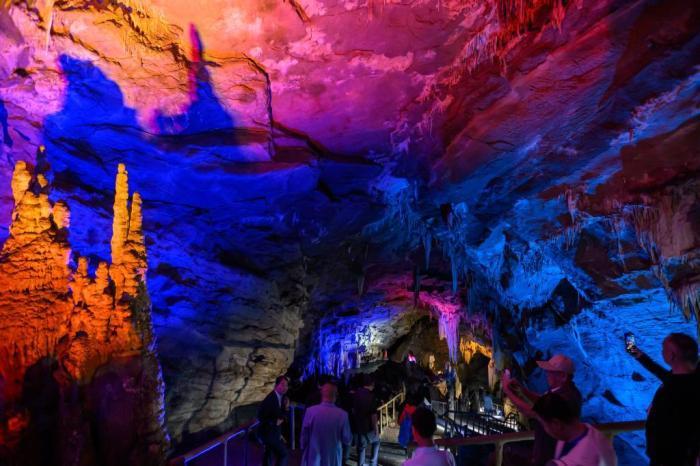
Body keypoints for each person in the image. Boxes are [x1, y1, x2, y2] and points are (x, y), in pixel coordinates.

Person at [627, 332, 700, 466]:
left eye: (664, 349)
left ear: (672, 355)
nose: (661, 352)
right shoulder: (684, 379)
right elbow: (656, 370)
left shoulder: (680, 388)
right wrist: (634, 351)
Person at [502, 354, 582, 466]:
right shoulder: (564, 390)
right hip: (550, 450)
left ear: (563, 376)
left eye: (551, 372)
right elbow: (543, 401)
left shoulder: (565, 398)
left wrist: (507, 390)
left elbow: (530, 412)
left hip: (552, 454)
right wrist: (523, 390)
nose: (547, 374)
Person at [533, 392, 617, 466]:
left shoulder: (587, 455)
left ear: (556, 424)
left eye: (544, 424)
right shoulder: (587, 433)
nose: (545, 429)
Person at [300, 381, 352, 466]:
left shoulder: (310, 411)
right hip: (333, 457)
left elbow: (304, 436)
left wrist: (303, 449)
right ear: (336, 395)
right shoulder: (343, 415)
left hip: (314, 456)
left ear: (322, 394)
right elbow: (347, 439)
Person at [258, 375, 289, 466]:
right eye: (282, 384)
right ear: (276, 385)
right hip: (268, 433)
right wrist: (274, 421)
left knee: (269, 455)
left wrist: (286, 408)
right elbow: (260, 416)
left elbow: (282, 416)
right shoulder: (270, 399)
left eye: (286, 385)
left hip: (274, 433)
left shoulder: (281, 398)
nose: (285, 387)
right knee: (283, 454)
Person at [352, 374, 380, 466]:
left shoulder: (355, 394)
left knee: (361, 447)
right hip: (368, 427)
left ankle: (361, 464)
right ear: (371, 384)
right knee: (376, 442)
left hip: (357, 427)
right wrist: (376, 429)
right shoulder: (371, 396)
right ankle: (373, 462)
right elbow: (373, 415)